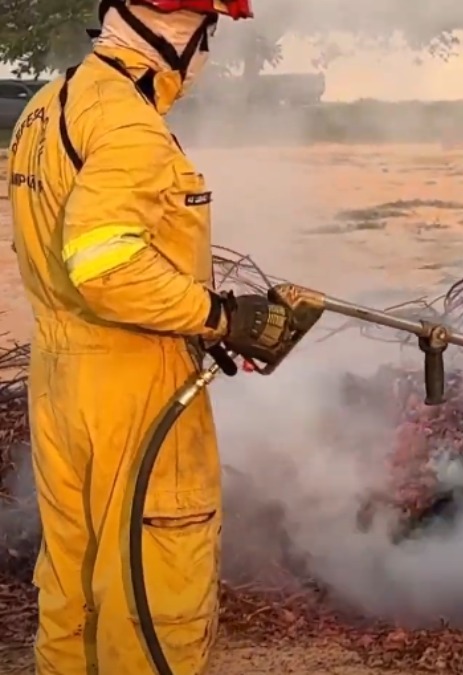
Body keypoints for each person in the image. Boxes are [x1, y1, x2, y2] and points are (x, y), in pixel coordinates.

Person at [6, 1, 291, 672]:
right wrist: (219, 315)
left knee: (75, 584)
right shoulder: (130, 126)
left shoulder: (50, 105)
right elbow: (105, 264)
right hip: (134, 385)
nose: (208, 56)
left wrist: (195, 321)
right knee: (153, 587)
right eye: (209, 36)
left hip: (63, 377)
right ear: (180, 35)